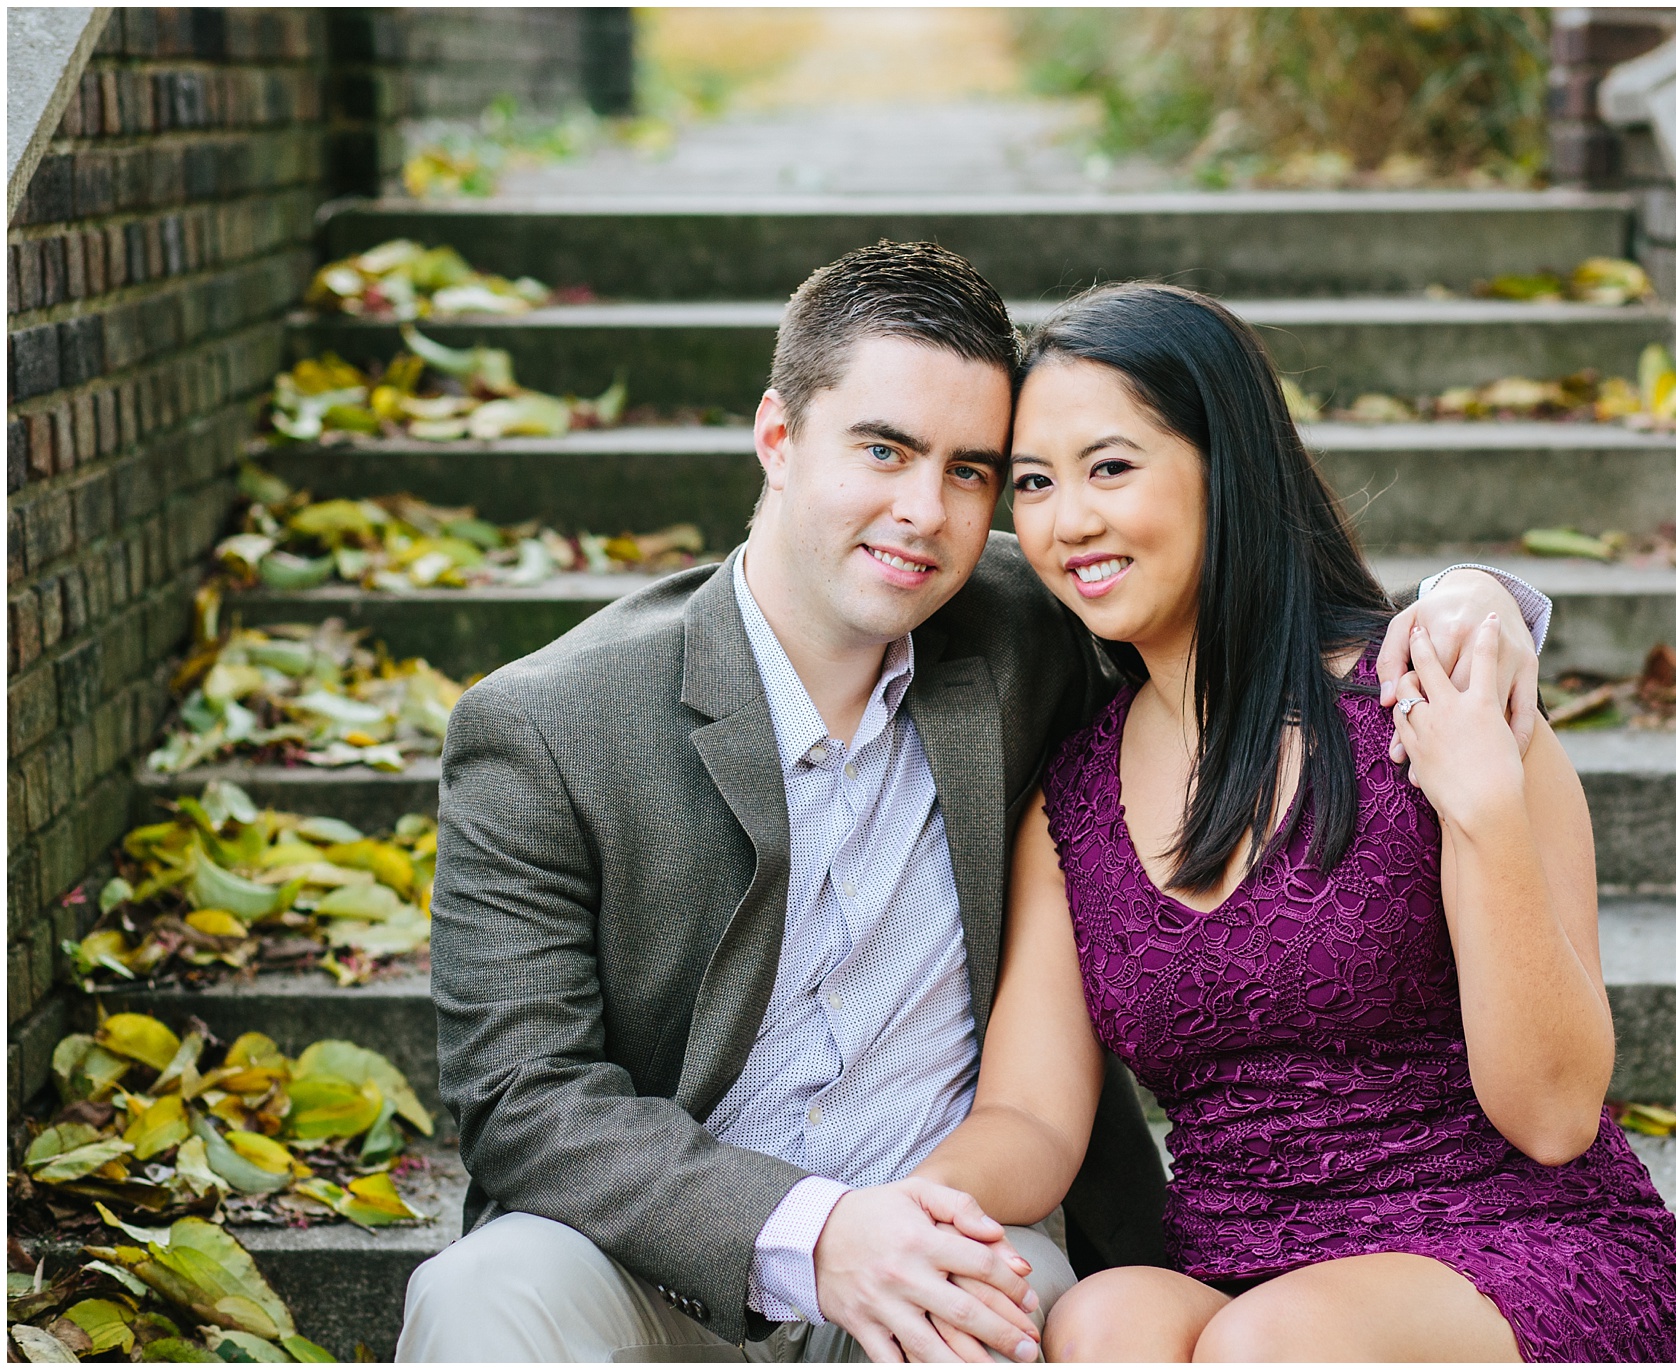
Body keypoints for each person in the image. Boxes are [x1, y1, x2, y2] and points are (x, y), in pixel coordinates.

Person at [397, 243, 1555, 1363]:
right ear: (777, 437)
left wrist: (1474, 599)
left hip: (959, 1240)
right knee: (478, 1292)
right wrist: (814, 1232)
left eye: (971, 471)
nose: (923, 511)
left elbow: (1231, 614)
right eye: (884, 449)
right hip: (666, 1256)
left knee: (997, 1319)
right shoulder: (546, 727)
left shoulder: (1022, 628)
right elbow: (519, 1095)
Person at [910, 282, 1676, 1363]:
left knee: (1268, 1344)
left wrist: (1480, 806)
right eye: (1034, 483)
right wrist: (900, 1204)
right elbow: (1034, 1118)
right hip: (1238, 1271)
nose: (1064, 521)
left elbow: (1556, 1111)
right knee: (1105, 1318)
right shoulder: (1074, 794)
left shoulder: (1430, 702)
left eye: (1109, 466)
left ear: (1223, 466)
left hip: (1513, 1249)